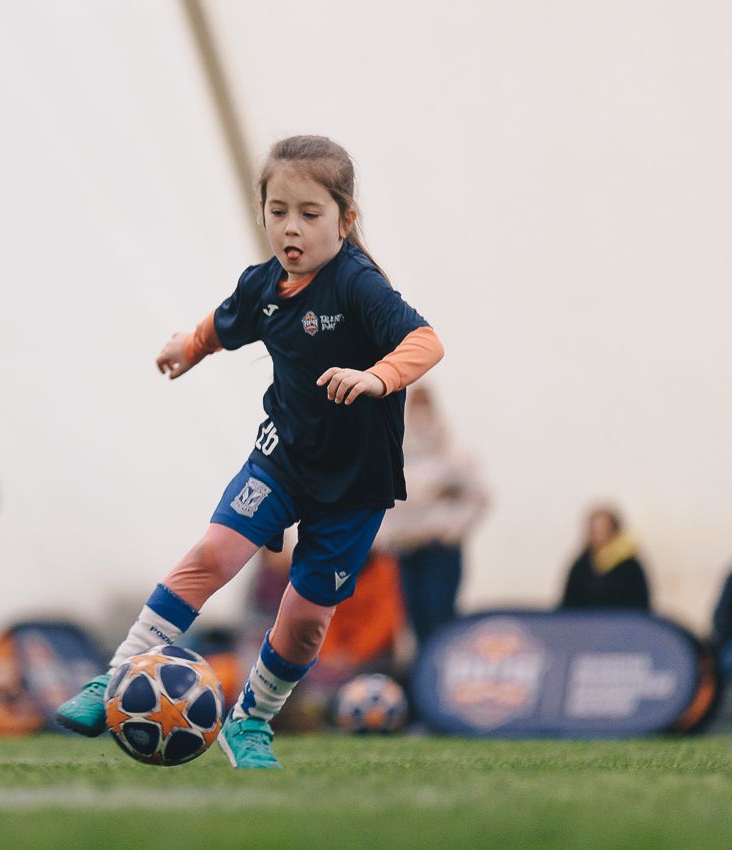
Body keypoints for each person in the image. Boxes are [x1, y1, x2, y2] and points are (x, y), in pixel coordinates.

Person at [55, 135, 443, 768]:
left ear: (345, 220)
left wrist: (376, 377)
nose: (291, 227)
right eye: (277, 210)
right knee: (214, 552)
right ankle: (117, 677)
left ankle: (251, 721)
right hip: (282, 458)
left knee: (305, 619)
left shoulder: (358, 285)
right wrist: (189, 346)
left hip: (356, 485)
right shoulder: (264, 284)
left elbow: (425, 342)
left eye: (310, 214)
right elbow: (227, 320)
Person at [375, 385, 487, 645]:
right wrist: (385, 538)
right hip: (407, 548)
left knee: (440, 617)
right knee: (415, 619)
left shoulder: (454, 454)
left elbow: (479, 497)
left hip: (440, 549)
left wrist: (455, 528)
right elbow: (382, 502)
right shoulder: (395, 452)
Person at [559, 506, 651, 611]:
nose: (598, 536)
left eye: (603, 530)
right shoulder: (580, 566)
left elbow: (642, 606)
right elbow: (568, 606)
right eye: (594, 531)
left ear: (614, 532)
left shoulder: (630, 566)